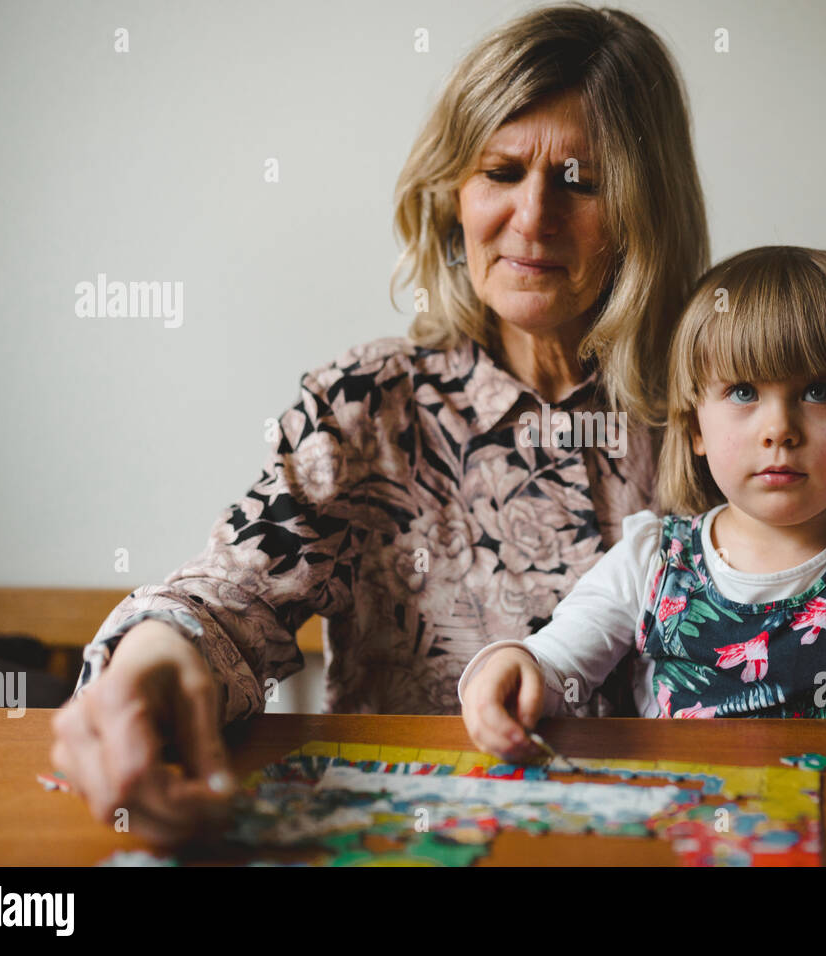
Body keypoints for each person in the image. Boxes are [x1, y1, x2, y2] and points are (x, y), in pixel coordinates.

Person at [51, 3, 709, 845]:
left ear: (646, 208)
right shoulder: (369, 402)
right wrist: (148, 666)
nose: (534, 217)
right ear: (454, 195)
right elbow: (226, 599)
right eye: (501, 172)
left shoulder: (722, 405)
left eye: (581, 181)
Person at [460, 246, 826, 760]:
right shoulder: (653, 557)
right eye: (743, 392)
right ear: (694, 426)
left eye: (818, 392)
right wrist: (512, 663)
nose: (779, 430)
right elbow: (556, 663)